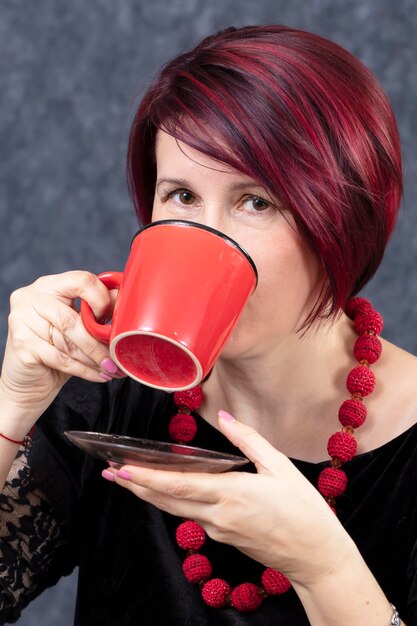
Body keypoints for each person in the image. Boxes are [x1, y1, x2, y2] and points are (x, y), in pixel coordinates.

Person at [0, 23, 414, 626]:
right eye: (182, 197)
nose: (207, 236)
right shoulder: (108, 390)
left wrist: (325, 571)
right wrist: (11, 410)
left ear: (343, 221)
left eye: (257, 201)